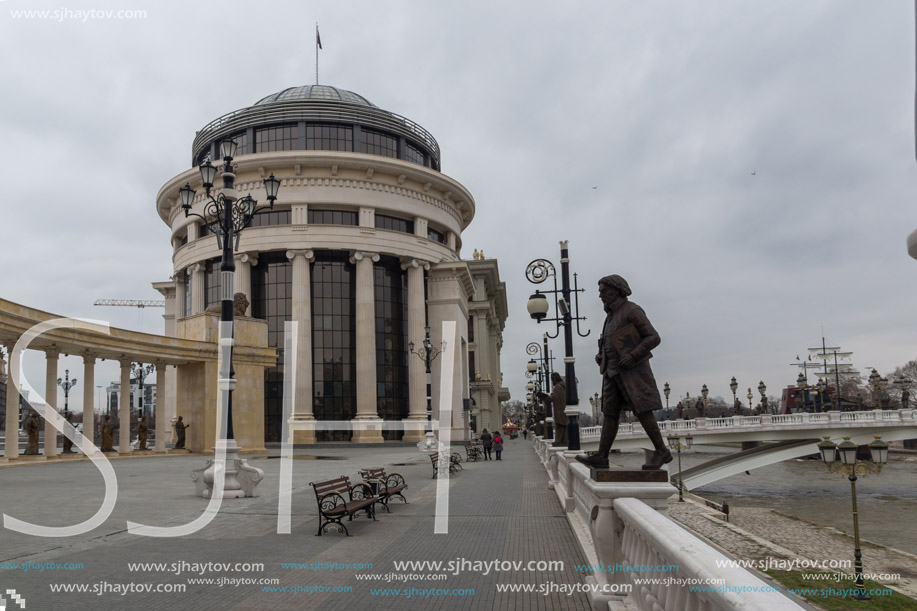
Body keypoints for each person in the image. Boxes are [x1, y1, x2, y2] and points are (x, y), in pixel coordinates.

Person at [575, 274, 673, 471]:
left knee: (642, 409)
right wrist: (601, 356)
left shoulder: (632, 310)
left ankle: (662, 450)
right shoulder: (610, 316)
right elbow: (610, 342)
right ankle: (602, 456)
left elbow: (653, 337)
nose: (600, 295)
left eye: (603, 291)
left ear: (616, 290)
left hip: (631, 372)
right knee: (610, 414)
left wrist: (633, 355)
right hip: (611, 372)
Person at [538, 372, 567, 447]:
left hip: (560, 411)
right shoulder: (563, 386)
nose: (552, 381)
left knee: (560, 427)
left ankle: (561, 441)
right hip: (563, 410)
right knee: (562, 427)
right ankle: (562, 440)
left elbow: (553, 398)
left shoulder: (558, 387)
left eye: (552, 379)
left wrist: (543, 397)